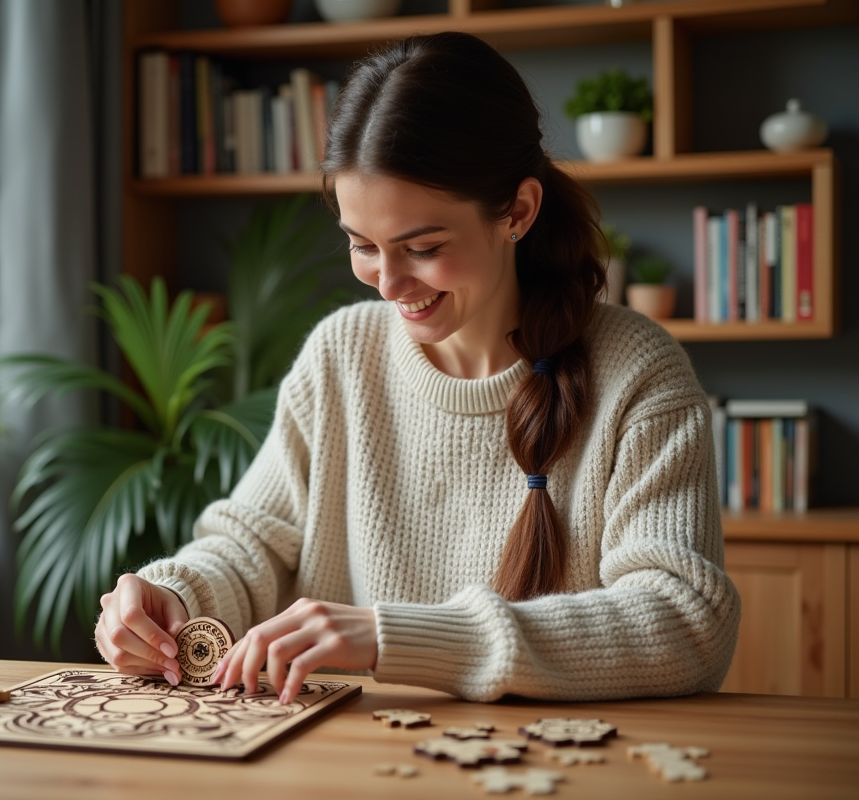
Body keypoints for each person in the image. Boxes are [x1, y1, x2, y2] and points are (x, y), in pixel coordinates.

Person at [95, 31, 740, 704]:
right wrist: (173, 592)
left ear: (517, 211)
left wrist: (390, 636)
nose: (389, 282)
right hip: (348, 764)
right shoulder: (341, 353)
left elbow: (686, 621)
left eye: (423, 246)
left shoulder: (637, 372)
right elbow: (252, 544)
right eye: (363, 245)